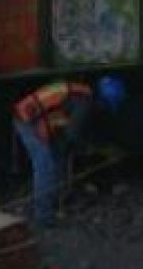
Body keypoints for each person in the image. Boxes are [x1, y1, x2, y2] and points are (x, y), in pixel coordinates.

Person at [13, 75, 125, 229]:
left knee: (58, 159)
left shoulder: (81, 96)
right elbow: (74, 133)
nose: (103, 110)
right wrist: (95, 149)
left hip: (38, 120)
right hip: (29, 122)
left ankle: (57, 202)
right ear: (104, 101)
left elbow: (68, 129)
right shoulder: (85, 102)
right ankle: (43, 218)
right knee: (45, 167)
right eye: (106, 106)